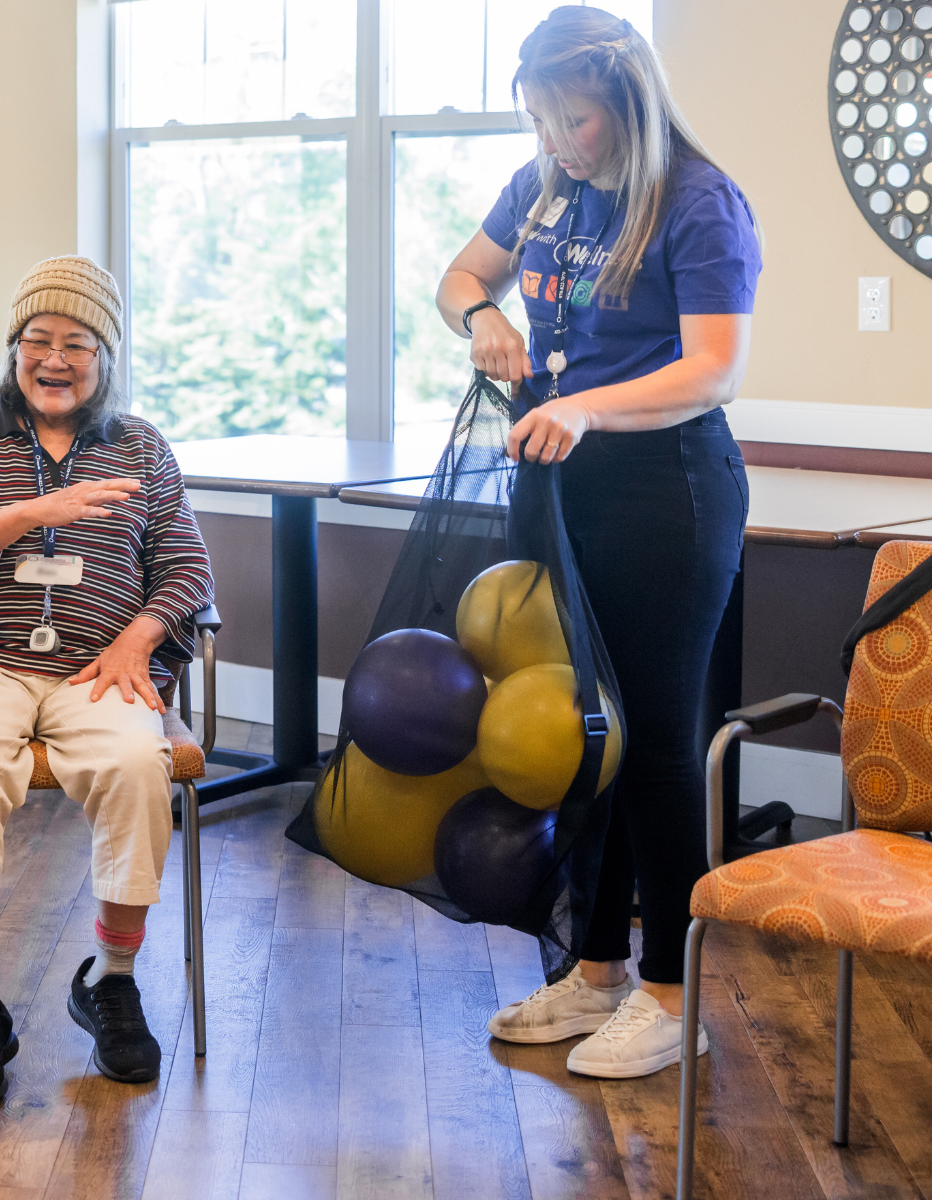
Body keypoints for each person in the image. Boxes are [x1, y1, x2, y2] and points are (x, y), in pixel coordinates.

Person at [435, 7, 759, 1080]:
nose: (557, 141)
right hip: (560, 481)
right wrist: (482, 317)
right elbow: (459, 278)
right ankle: (597, 970)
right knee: (586, 735)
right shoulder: (542, 188)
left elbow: (712, 369)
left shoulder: (699, 201)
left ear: (628, 102)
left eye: (573, 120)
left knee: (654, 744)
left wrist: (586, 407)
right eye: (540, 121)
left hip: (666, 489)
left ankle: (672, 995)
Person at [0, 256, 214, 1108]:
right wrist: (33, 514)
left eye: (77, 343)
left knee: (136, 764)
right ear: (13, 350)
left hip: (99, 665)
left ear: (105, 357)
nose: (54, 358)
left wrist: (140, 639)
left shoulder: (142, 446)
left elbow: (189, 568)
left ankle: (111, 979)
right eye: (37, 339)